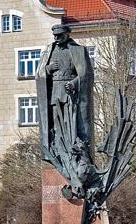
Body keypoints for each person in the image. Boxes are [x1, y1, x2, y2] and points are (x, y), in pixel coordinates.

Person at [36, 24, 94, 197]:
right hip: (54, 92)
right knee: (57, 126)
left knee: (71, 124)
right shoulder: (48, 51)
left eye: (60, 35)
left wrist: (74, 83)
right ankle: (59, 148)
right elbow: (39, 75)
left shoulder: (78, 50)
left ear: (67, 34)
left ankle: (72, 149)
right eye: (55, 36)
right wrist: (47, 70)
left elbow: (86, 75)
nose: (57, 39)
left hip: (70, 93)